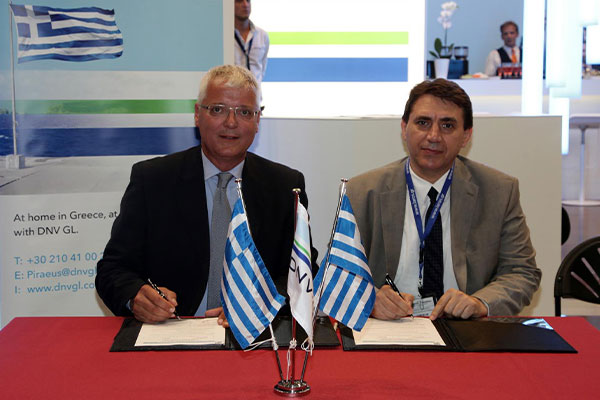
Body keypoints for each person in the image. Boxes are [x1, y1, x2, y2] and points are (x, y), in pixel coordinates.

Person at [96, 65, 317, 324]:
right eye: (218, 109)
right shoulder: (153, 180)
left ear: (258, 120)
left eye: (244, 112)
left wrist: (261, 302)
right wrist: (136, 296)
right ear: (197, 115)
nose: (231, 122)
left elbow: (303, 271)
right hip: (173, 330)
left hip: (254, 332)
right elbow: (113, 269)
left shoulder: (285, 185)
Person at [346, 78, 541, 321]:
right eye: (423, 122)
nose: (434, 136)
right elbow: (337, 272)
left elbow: (522, 272)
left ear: (466, 135)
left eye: (447, 125)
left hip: (466, 327)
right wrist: (370, 300)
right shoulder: (362, 191)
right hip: (390, 325)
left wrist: (480, 303)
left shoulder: (499, 191)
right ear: (404, 128)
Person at [234, 0, 269, 86]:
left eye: (248, 1)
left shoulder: (262, 35)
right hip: (232, 91)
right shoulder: (224, 35)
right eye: (239, 1)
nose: (245, 5)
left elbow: (262, 67)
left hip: (255, 92)